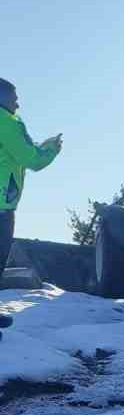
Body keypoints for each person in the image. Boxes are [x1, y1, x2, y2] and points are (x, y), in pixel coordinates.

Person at [0, 78, 62, 272]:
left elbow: (15, 152)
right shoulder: (7, 122)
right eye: (14, 99)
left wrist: (40, 147)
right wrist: (52, 149)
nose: (17, 105)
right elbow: (32, 159)